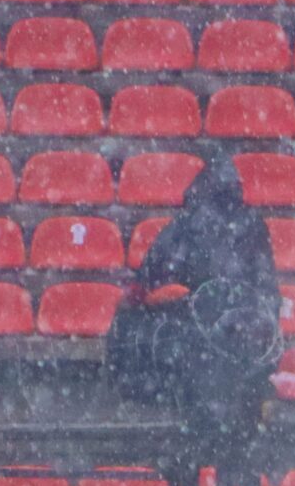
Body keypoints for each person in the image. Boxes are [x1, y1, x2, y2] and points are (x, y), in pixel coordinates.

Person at [106, 157, 281, 428]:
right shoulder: (236, 226)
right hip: (218, 342)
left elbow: (148, 284)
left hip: (212, 341)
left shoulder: (192, 225)